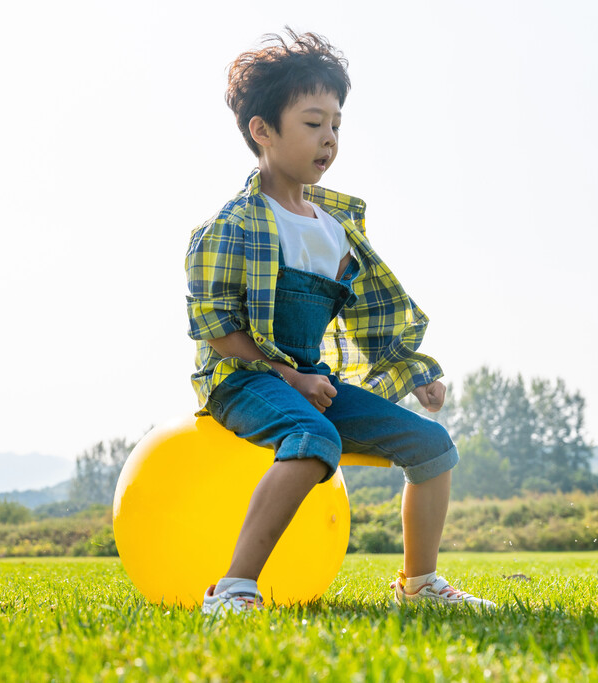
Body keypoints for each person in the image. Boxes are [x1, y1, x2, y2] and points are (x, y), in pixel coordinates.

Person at [185, 29, 494, 613]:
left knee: (431, 445)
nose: (328, 139)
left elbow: (370, 316)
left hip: (313, 380)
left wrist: (412, 368)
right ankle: (233, 589)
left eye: (336, 125)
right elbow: (217, 330)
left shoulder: (337, 225)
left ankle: (420, 585)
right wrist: (289, 378)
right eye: (312, 123)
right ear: (263, 131)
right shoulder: (232, 227)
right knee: (313, 437)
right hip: (241, 380)